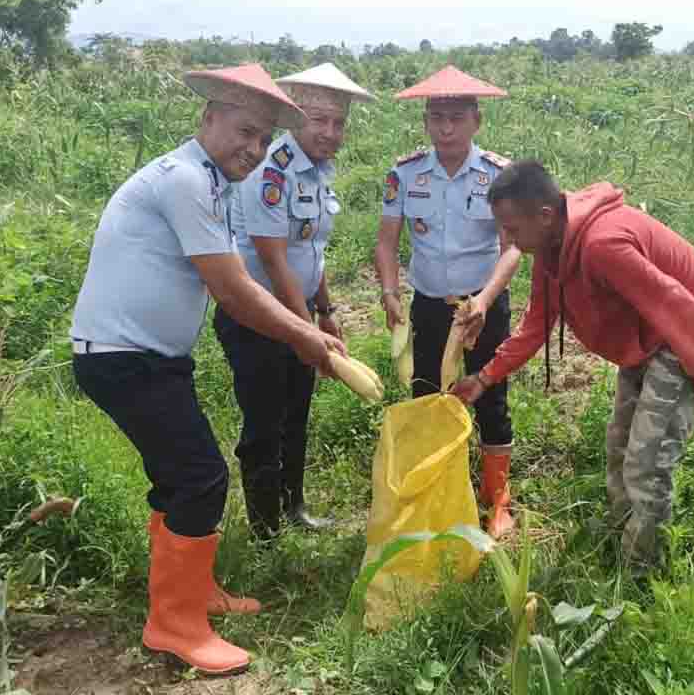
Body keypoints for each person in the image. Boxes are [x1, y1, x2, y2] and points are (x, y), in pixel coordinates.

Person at [69, 64, 345, 675]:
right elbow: (230, 288)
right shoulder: (186, 180)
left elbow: (238, 275)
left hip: (154, 358)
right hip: (121, 357)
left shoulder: (216, 184)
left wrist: (311, 324)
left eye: (262, 138)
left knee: (180, 478)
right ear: (208, 119)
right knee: (200, 478)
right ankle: (174, 624)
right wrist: (306, 335)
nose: (252, 148)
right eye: (243, 131)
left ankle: (192, 594)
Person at [450, 160, 694, 567]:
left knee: (646, 464)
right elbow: (535, 326)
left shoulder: (602, 245)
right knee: (619, 446)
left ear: (545, 216)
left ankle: (640, 578)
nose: (505, 239)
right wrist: (484, 377)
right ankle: (622, 545)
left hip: (687, 334)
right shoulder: (551, 249)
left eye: (512, 229)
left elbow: (676, 303)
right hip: (648, 335)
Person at [216, 63, 374, 541]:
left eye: (338, 123)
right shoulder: (272, 169)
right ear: (293, 118)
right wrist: (307, 332)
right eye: (317, 119)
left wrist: (326, 314)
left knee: (296, 413)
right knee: (264, 421)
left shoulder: (316, 171)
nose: (329, 132)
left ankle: (294, 506)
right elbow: (274, 257)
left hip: (299, 311)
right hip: (259, 318)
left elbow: (311, 252)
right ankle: (265, 529)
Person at [372, 66, 521, 538]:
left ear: (477, 120)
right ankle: (435, 491)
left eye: (456, 117)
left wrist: (484, 300)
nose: (446, 127)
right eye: (436, 117)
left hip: (483, 307)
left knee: (490, 397)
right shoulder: (405, 173)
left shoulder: (498, 175)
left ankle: (497, 501)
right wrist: (391, 292)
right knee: (427, 398)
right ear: (425, 123)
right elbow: (385, 243)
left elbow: (512, 247)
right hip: (431, 307)